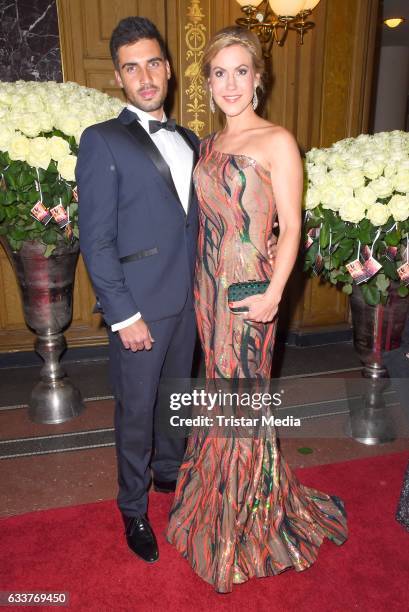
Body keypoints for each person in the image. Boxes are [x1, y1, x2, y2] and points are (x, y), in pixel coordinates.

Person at [166, 27, 348, 593]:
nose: (229, 84)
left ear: (258, 78)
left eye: (240, 71)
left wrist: (274, 291)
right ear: (209, 82)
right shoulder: (209, 145)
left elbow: (291, 227)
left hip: (250, 290)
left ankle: (246, 516)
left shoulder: (278, 141)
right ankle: (216, 500)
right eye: (218, 73)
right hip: (209, 290)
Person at [77, 17, 199, 564]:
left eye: (153, 63)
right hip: (141, 308)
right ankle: (132, 508)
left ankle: (169, 477)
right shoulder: (101, 139)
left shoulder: (193, 139)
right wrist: (124, 316)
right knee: (135, 411)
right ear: (120, 79)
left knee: (175, 402)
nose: (145, 76)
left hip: (191, 302)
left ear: (168, 68)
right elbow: (95, 240)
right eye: (132, 67)